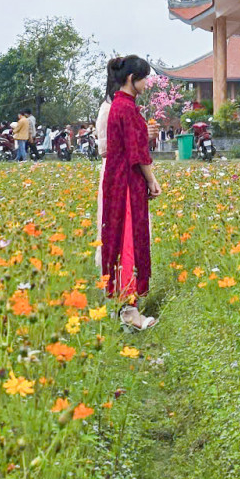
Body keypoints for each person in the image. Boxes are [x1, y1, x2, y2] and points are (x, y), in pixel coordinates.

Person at [99, 55, 160, 330]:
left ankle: (121, 305)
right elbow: (138, 154)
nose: (147, 82)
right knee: (127, 242)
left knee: (118, 239)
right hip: (126, 183)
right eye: (144, 77)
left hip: (117, 180)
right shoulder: (127, 110)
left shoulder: (120, 107)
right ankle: (129, 312)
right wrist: (152, 180)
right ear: (131, 79)